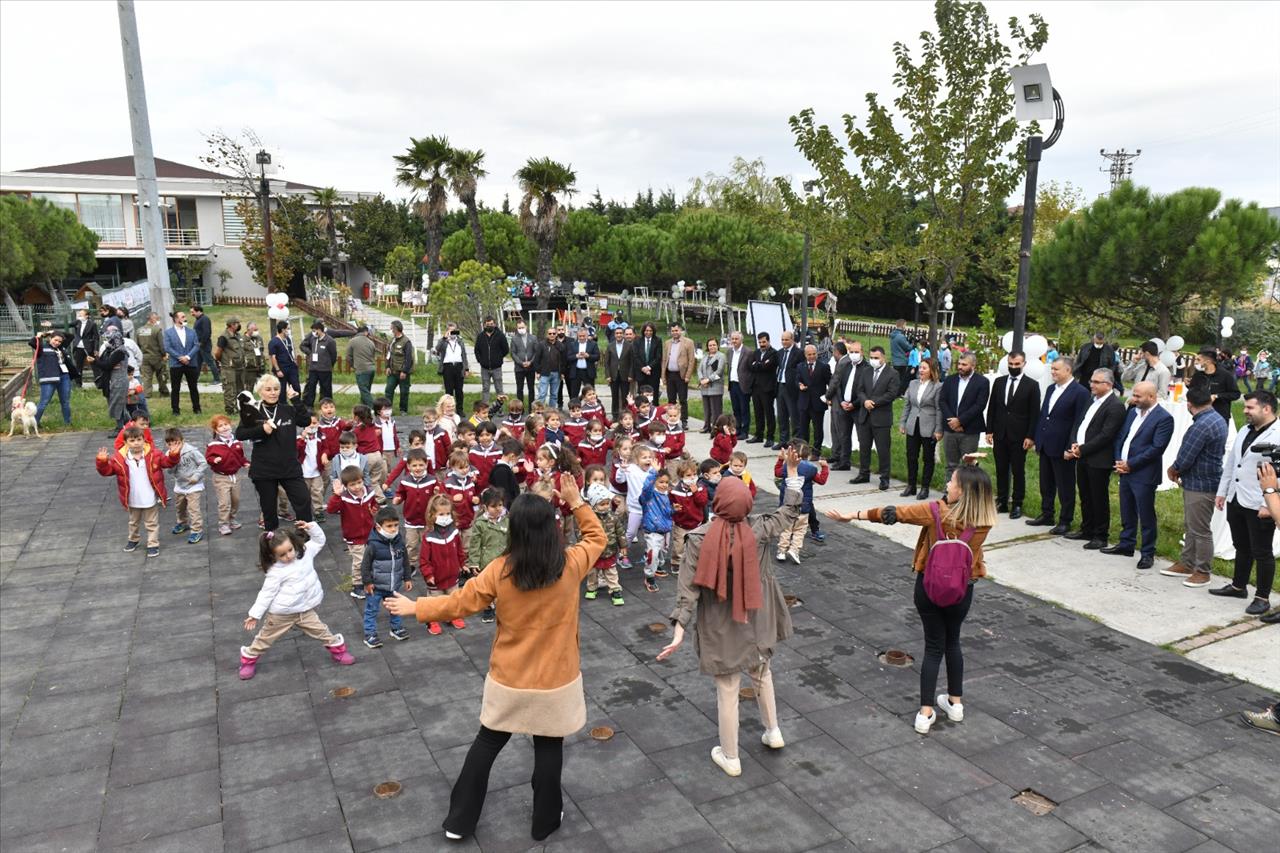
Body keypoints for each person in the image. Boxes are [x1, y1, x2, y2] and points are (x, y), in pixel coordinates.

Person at [385, 475, 605, 844]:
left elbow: (459, 602)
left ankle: (459, 821)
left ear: (514, 530)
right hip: (556, 678)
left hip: (510, 676)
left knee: (486, 745)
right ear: (552, 528)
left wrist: (416, 607)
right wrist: (576, 501)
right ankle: (545, 821)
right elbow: (597, 537)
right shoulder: (570, 564)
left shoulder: (501, 571)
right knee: (549, 748)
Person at [826, 462, 996, 735]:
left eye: (952, 482)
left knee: (932, 647)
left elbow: (893, 513)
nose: (947, 486)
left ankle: (925, 713)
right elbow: (961, 510)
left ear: (961, 491)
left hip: (928, 588)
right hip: (963, 589)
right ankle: (956, 704)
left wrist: (853, 515)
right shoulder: (985, 519)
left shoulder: (934, 512)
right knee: (952, 641)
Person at [659, 472, 804, 777]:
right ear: (747, 506)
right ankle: (773, 731)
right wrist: (792, 479)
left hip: (721, 622)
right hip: (757, 617)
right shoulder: (759, 529)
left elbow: (688, 591)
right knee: (762, 671)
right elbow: (788, 512)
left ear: (718, 501)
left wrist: (679, 630)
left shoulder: (699, 539)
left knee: (727, 688)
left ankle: (731, 756)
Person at [239, 521, 355, 679]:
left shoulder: (305, 553)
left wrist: (312, 527)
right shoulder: (276, 572)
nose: (288, 556)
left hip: (304, 609)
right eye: (282, 554)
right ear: (272, 555)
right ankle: (248, 659)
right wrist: (255, 614)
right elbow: (266, 593)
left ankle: (339, 652)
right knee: (265, 638)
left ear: (294, 544)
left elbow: (319, 541)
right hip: (282, 614)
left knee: (322, 630)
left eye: (290, 550)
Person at [1212, 390, 1279, 615]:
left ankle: (1262, 597)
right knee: (1241, 545)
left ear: (1266, 409)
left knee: (1262, 551)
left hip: (1261, 502)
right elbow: (1232, 464)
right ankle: (1238, 586)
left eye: (1250, 407)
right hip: (1236, 497)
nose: (1245, 411)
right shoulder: (1244, 430)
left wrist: (1267, 504)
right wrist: (1223, 492)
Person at [1102, 381, 1174, 568]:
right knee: (1127, 509)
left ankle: (1148, 552)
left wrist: (1131, 464)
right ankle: (1127, 544)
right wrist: (1119, 460)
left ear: (1151, 397)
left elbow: (1156, 448)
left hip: (1143, 473)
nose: (1133, 399)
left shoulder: (1163, 418)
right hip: (1124, 469)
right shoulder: (1132, 413)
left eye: (1138, 396)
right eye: (1133, 395)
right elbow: (1121, 437)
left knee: (1146, 513)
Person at [1164, 387, 1227, 587]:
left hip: (1201, 483)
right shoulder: (1216, 418)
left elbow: (1187, 455)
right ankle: (1187, 562)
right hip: (1204, 480)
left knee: (1200, 529)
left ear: (1189, 405)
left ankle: (1202, 571)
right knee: (1192, 525)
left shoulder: (1201, 425)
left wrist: (1174, 469)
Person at [235, 374, 313, 531]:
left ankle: (305, 534)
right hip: (264, 468)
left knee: (303, 500)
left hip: (289, 466)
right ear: (260, 392)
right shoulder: (253, 411)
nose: (273, 393)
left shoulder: (287, 409)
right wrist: (261, 429)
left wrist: (296, 400)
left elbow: (305, 421)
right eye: (268, 389)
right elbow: (240, 434)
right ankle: (272, 537)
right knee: (268, 507)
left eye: (276, 389)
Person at [95, 425, 180, 558]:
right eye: (132, 441)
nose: (136, 443)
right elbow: (107, 471)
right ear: (126, 443)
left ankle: (152, 544)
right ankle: (133, 539)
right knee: (133, 522)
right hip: (132, 498)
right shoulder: (119, 458)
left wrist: (174, 455)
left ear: (144, 440)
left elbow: (167, 462)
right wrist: (102, 462)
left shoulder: (154, 454)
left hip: (150, 497)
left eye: (139, 440)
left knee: (151, 523)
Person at [1027, 357, 1090, 534]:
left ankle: (1065, 519)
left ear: (1068, 371)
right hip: (1046, 443)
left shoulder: (1080, 392)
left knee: (1065, 485)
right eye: (1052, 369)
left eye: (1056, 369)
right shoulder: (1050, 389)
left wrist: (1071, 446)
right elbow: (1044, 414)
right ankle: (1047, 513)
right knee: (1046, 483)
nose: (1053, 372)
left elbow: (1079, 421)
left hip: (1063, 445)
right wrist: (1037, 439)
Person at [1066, 369, 1126, 549]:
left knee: (1098, 497)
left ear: (1108, 385)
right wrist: (1074, 444)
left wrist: (1082, 449)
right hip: (1082, 455)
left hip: (1099, 458)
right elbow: (1080, 423)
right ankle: (1087, 528)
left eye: (1096, 382)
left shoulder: (1115, 405)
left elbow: (1106, 435)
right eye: (1091, 381)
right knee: (1085, 494)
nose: (1091, 384)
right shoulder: (1091, 401)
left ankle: (1101, 534)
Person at [985, 351, 1040, 518]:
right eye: (1011, 364)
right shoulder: (999, 382)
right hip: (1000, 433)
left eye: (1017, 364)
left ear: (1023, 364)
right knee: (1001, 468)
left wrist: (1030, 436)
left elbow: (1034, 413)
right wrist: (989, 430)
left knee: (1018, 470)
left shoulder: (1031, 385)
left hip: (1019, 435)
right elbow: (992, 407)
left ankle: (1017, 503)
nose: (1013, 367)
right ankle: (1002, 500)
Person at [360, 506, 414, 648]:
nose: (393, 529)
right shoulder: (373, 545)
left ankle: (396, 628)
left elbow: (405, 560)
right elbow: (365, 565)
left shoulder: (399, 542)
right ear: (379, 527)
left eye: (396, 525)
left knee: (395, 607)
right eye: (389, 526)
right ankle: (370, 634)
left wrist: (407, 578)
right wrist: (367, 582)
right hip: (376, 586)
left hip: (392, 585)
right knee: (372, 610)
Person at [854, 345, 900, 491]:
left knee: (883, 449)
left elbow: (892, 394)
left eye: (876, 358)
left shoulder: (892, 373)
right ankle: (863, 473)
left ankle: (884, 478)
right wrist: (865, 401)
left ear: (883, 358)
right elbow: (859, 390)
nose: (873, 360)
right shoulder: (866, 371)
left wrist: (873, 402)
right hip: (865, 416)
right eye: (872, 357)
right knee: (864, 447)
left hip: (881, 417)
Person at [938, 353, 990, 483]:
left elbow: (979, 405)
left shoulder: (982, 382)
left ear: (973, 365)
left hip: (970, 430)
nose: (960, 367)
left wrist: (960, 421)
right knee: (951, 464)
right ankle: (949, 493)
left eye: (964, 365)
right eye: (959, 364)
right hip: (950, 429)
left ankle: (966, 496)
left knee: (968, 466)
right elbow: (942, 401)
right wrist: (952, 421)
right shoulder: (950, 380)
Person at [900, 357, 942, 500]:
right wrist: (902, 423)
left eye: (924, 368)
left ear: (932, 370)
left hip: (929, 427)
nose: (921, 370)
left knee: (928, 458)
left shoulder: (937, 386)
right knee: (911, 456)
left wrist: (938, 429)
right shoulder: (913, 384)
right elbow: (907, 405)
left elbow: (939, 409)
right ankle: (911, 485)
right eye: (920, 367)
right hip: (912, 425)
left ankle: (925, 487)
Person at [206, 414, 249, 536]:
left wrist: (245, 463)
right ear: (216, 430)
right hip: (221, 477)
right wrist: (214, 460)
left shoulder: (236, 442)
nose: (224, 427)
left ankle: (232, 518)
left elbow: (240, 457)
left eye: (226, 424)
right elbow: (208, 457)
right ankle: (223, 523)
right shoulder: (213, 445)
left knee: (235, 500)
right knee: (224, 502)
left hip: (235, 476)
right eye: (220, 426)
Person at [166, 426, 209, 545]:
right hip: (180, 485)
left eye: (177, 443)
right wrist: (173, 459)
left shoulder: (191, 451)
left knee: (193, 509)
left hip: (193, 486)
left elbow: (203, 463)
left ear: (182, 441)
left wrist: (196, 476)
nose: (174, 446)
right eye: (171, 444)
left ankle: (196, 530)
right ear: (167, 445)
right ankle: (182, 523)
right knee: (180, 507)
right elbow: (169, 471)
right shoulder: (169, 454)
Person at [827, 341, 864, 471]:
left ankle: (860, 465)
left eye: (856, 352)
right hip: (843, 403)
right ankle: (843, 460)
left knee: (857, 436)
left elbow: (836, 382)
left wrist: (827, 396)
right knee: (843, 434)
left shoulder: (863, 367)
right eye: (851, 352)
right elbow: (841, 384)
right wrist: (842, 399)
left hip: (856, 406)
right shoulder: (848, 365)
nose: (853, 354)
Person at [29, 329, 74, 426]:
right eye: (55, 340)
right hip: (49, 379)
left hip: (63, 377)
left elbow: (70, 336)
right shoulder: (41, 347)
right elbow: (32, 342)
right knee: (44, 402)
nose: (57, 343)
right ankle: (35, 423)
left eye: (59, 341)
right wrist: (39, 336)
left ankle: (68, 423)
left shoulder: (60, 347)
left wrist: (53, 331)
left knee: (65, 401)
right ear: (50, 338)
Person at [163, 309, 202, 416]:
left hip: (190, 362)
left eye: (185, 316)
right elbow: (168, 347)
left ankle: (197, 408)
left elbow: (196, 345)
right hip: (176, 364)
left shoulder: (191, 331)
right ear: (176, 319)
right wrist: (180, 357)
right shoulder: (168, 332)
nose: (185, 318)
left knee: (193, 387)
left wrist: (188, 357)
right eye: (183, 317)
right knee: (175, 388)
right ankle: (175, 410)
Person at [1189, 347, 1240, 423]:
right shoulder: (1198, 375)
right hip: (1200, 415)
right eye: (1195, 359)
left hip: (1220, 415)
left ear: (1208, 361)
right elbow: (1192, 390)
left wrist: (1217, 396)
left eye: (1198, 360)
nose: (1195, 362)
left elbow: (1235, 394)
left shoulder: (1225, 375)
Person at [796, 343, 831, 452]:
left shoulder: (823, 367)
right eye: (809, 354)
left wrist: (828, 397)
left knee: (817, 429)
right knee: (803, 429)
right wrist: (799, 385)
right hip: (804, 402)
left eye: (814, 354)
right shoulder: (800, 366)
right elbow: (797, 379)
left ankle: (816, 451)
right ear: (805, 355)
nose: (812, 356)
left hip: (817, 403)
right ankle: (803, 451)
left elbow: (830, 382)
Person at [746, 332, 779, 447]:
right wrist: (760, 364)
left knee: (768, 413)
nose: (762, 344)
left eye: (764, 342)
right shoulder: (756, 352)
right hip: (756, 387)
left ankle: (770, 437)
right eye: (760, 342)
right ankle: (758, 435)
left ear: (768, 341)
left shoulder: (774, 353)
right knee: (758, 412)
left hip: (767, 388)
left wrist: (758, 364)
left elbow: (768, 366)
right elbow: (750, 366)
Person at [662, 322, 696, 430]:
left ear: (681, 330)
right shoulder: (667, 343)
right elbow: (664, 360)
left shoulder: (688, 342)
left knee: (682, 399)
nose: (674, 333)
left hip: (681, 375)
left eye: (676, 330)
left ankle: (684, 420)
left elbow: (691, 360)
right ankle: (671, 420)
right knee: (671, 399)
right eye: (672, 331)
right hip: (670, 374)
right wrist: (663, 376)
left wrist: (688, 375)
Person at [773, 330, 803, 447]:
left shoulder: (798, 353)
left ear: (792, 340)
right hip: (780, 385)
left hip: (792, 388)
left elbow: (800, 370)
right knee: (782, 416)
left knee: (794, 416)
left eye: (786, 339)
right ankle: (783, 441)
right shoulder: (779, 353)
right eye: (782, 340)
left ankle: (795, 443)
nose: (784, 342)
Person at [300, 321, 339, 407]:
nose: (313, 333)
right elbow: (303, 346)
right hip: (313, 368)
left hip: (324, 369)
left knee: (325, 388)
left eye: (314, 330)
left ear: (319, 330)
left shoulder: (330, 341)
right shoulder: (313, 339)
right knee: (311, 386)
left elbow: (333, 355)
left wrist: (328, 364)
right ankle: (308, 404)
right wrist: (310, 353)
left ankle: (326, 403)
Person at [98, 327, 130, 430]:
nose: (108, 341)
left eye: (109, 339)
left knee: (118, 405)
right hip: (114, 381)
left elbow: (107, 365)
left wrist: (95, 361)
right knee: (118, 404)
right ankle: (129, 425)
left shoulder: (120, 351)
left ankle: (121, 428)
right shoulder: (112, 350)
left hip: (118, 381)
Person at [214, 317, 248, 416]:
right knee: (230, 389)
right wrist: (225, 362)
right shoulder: (223, 337)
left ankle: (239, 407)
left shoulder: (238, 336)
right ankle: (230, 410)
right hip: (229, 368)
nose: (239, 325)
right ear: (232, 325)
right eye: (237, 323)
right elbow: (217, 353)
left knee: (240, 389)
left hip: (239, 367)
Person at [472, 316, 509, 404]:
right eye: (488, 325)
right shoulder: (480, 336)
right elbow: (477, 350)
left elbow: (506, 349)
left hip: (497, 368)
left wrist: (498, 358)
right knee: (485, 389)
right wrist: (480, 360)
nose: (490, 326)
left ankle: (499, 409)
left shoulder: (500, 335)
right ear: (484, 325)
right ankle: (485, 408)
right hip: (484, 368)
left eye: (491, 324)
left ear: (495, 324)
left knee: (499, 389)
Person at [436, 322, 470, 409]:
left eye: (454, 331)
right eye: (451, 331)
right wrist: (444, 338)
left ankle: (460, 409)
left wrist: (466, 369)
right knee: (449, 390)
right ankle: (448, 408)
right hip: (448, 367)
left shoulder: (460, 341)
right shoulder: (444, 341)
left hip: (458, 366)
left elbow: (464, 355)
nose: (453, 333)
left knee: (459, 390)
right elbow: (438, 349)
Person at [725, 330, 753, 440]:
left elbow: (751, 371)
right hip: (733, 384)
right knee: (736, 409)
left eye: (736, 339)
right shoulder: (729, 352)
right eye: (732, 339)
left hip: (743, 385)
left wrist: (749, 384)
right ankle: (737, 429)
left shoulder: (748, 352)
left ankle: (745, 431)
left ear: (741, 340)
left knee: (744, 409)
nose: (734, 341)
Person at [384, 320, 415, 415]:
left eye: (392, 328)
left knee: (404, 392)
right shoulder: (392, 340)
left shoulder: (406, 342)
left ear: (396, 329)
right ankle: (388, 410)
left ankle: (403, 410)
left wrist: (404, 371)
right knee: (388, 390)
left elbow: (409, 358)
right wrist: (387, 366)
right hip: (392, 372)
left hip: (402, 372)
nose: (390, 329)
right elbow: (389, 355)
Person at [135, 313, 168, 397]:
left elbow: (137, 345)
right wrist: (164, 354)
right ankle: (164, 392)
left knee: (146, 377)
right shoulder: (157, 330)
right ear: (153, 319)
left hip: (144, 357)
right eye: (157, 319)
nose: (158, 321)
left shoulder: (139, 330)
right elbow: (161, 345)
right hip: (157, 356)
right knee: (161, 375)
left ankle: (147, 394)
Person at [604, 325, 634, 421]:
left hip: (625, 375)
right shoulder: (610, 346)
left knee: (625, 397)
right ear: (614, 334)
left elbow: (632, 362)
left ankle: (625, 415)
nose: (619, 335)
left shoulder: (629, 346)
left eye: (621, 333)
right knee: (615, 396)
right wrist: (608, 375)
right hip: (613, 375)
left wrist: (630, 374)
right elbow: (606, 362)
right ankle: (615, 416)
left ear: (623, 335)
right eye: (617, 333)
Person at [698, 337, 726, 435]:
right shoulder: (705, 356)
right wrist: (702, 380)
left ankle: (716, 428)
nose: (712, 347)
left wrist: (708, 380)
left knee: (716, 410)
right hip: (704, 387)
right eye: (710, 345)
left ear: (717, 345)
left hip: (715, 386)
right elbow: (699, 369)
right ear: (707, 347)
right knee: (707, 409)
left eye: (714, 345)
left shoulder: (721, 356)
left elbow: (719, 371)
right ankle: (707, 426)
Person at [566, 326, 601, 402]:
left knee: (590, 392)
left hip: (588, 372)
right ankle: (574, 410)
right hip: (576, 372)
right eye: (580, 336)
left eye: (583, 336)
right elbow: (568, 357)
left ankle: (591, 409)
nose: (581, 338)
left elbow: (597, 356)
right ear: (577, 335)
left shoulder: (593, 344)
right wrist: (576, 356)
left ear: (587, 335)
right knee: (574, 394)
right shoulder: (572, 344)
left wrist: (588, 356)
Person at [509, 318, 537, 412]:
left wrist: (531, 362)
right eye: (519, 328)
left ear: (526, 327)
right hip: (519, 368)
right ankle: (520, 409)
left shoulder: (533, 338)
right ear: (517, 328)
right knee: (519, 389)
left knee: (531, 389)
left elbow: (536, 352)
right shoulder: (514, 339)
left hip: (531, 367)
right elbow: (513, 353)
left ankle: (531, 409)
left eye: (522, 327)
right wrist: (521, 363)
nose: (521, 329)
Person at [347, 324, 377, 407]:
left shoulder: (352, 341)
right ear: (366, 332)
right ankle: (363, 407)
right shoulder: (371, 342)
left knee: (364, 391)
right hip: (371, 369)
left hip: (361, 369)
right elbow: (373, 355)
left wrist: (353, 366)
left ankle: (374, 408)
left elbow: (348, 357)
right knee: (367, 390)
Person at [268, 321, 300, 396]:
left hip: (291, 367)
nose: (288, 331)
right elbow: (273, 357)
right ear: (283, 330)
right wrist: (278, 370)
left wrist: (294, 361)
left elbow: (290, 351)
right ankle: (282, 405)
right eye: (287, 329)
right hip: (282, 368)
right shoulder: (273, 342)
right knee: (282, 390)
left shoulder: (288, 339)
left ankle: (297, 404)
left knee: (296, 387)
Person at [191, 305, 220, 385]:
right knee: (197, 362)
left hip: (204, 345)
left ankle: (217, 379)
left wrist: (202, 343)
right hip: (198, 345)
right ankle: (194, 379)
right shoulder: (198, 320)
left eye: (192, 312)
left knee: (210, 361)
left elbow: (207, 332)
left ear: (198, 311)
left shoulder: (205, 319)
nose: (191, 314)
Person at [70, 308, 99, 387]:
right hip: (78, 347)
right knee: (78, 366)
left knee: (94, 365)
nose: (79, 316)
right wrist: (51, 325)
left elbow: (96, 337)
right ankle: (78, 384)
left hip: (88, 346)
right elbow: (67, 324)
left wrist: (96, 349)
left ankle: (99, 383)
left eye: (81, 314)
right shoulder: (77, 322)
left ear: (86, 316)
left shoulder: (92, 324)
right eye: (79, 314)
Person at [632, 322, 663, 394]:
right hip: (641, 373)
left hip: (653, 372)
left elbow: (658, 357)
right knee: (642, 395)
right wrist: (643, 368)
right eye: (646, 330)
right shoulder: (637, 341)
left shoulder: (658, 340)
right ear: (643, 331)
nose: (648, 332)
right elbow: (636, 356)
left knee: (654, 394)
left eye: (650, 331)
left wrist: (648, 367)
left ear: (653, 331)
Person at [890, 319, 912, 394]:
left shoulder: (893, 334)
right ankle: (898, 393)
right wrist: (912, 343)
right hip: (902, 361)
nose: (906, 327)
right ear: (903, 325)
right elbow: (908, 347)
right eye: (905, 325)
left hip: (895, 360)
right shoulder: (900, 336)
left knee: (895, 378)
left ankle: (893, 392)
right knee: (901, 379)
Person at [243, 322, 267, 387]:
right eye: (255, 330)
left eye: (257, 329)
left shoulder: (259, 338)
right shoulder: (243, 340)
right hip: (249, 369)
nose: (256, 331)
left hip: (260, 367)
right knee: (249, 388)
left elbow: (262, 350)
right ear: (248, 330)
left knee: (263, 387)